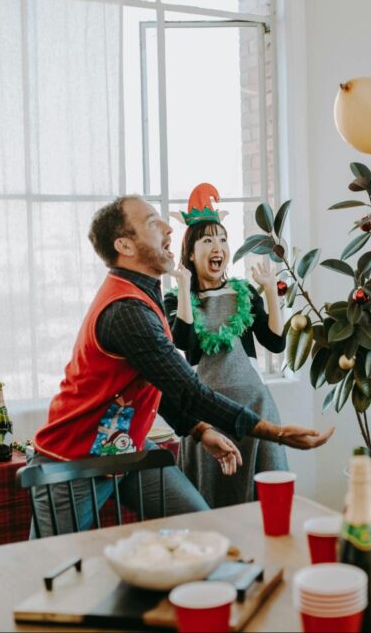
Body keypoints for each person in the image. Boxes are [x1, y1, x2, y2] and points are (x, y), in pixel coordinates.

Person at [29, 195, 333, 533]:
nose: (167, 228)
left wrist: (200, 431)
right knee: (51, 564)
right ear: (124, 245)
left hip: (126, 448)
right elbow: (185, 389)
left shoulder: (145, 294)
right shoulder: (127, 309)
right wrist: (274, 432)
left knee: (201, 528)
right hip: (75, 459)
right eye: (151, 223)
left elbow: (161, 383)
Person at [164, 184, 290, 508]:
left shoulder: (243, 293)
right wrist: (184, 288)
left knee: (266, 502)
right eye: (207, 240)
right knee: (210, 503)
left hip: (255, 408)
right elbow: (184, 341)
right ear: (191, 253)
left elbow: (275, 342)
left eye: (222, 239)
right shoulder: (177, 300)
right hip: (206, 415)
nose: (217, 246)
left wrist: (270, 293)